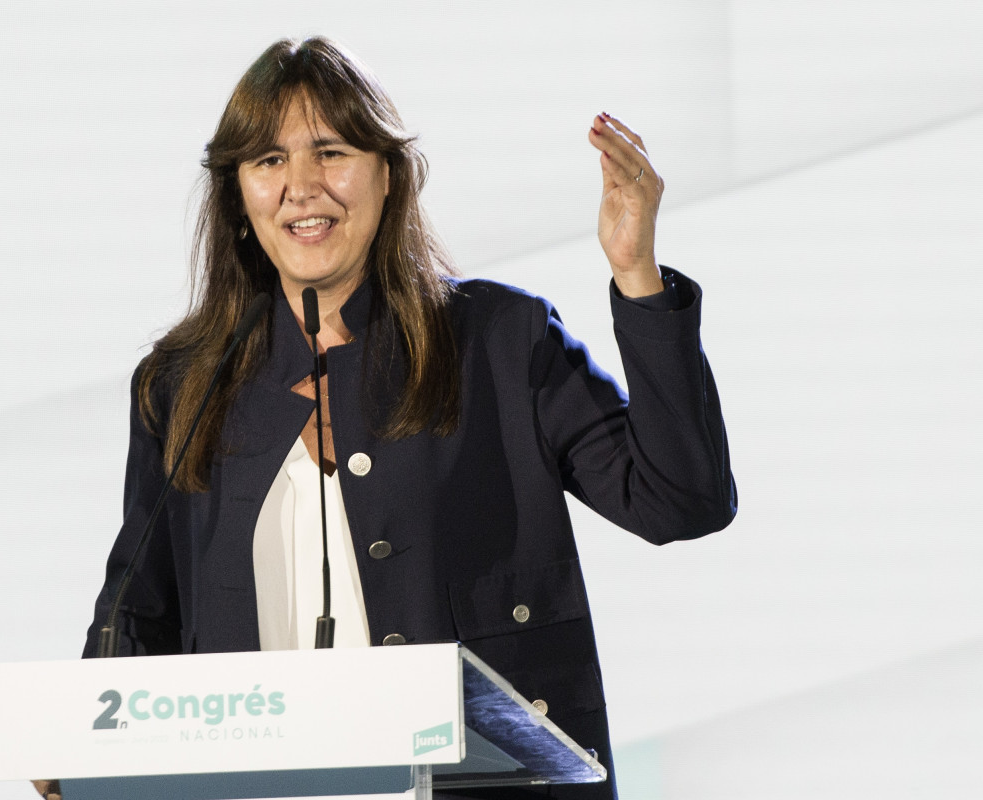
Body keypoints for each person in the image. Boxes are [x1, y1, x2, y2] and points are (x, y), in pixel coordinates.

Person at [56, 35, 735, 800]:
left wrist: (637, 277)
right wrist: (83, 754)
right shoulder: (182, 386)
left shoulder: (499, 342)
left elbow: (681, 501)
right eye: (268, 161)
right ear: (238, 195)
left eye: (332, 151)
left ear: (388, 174)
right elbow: (134, 615)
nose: (302, 187)